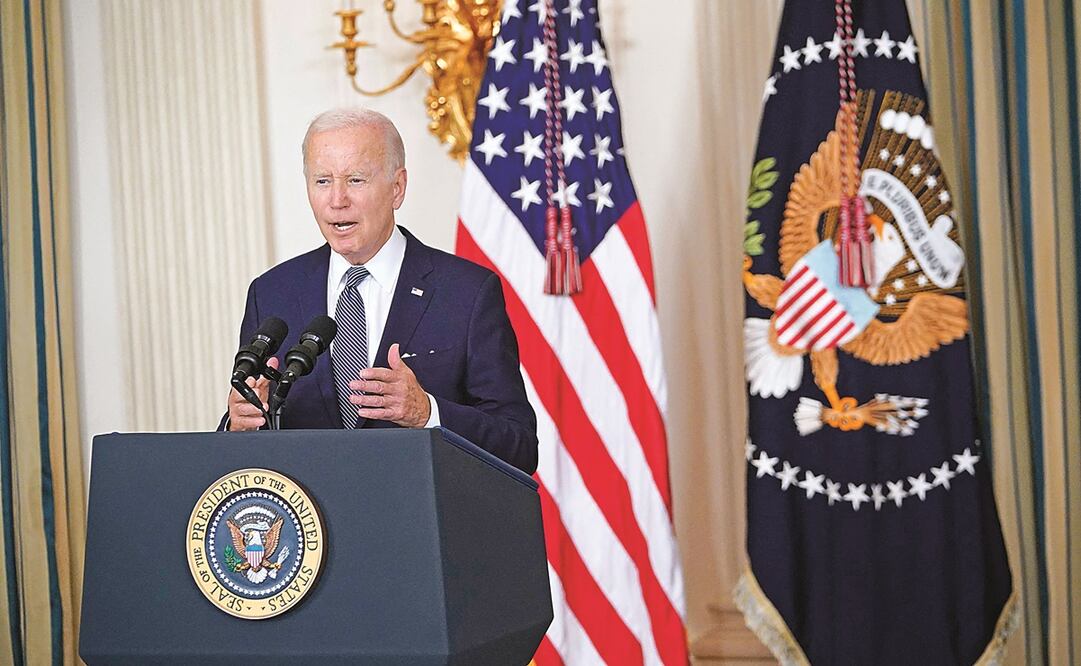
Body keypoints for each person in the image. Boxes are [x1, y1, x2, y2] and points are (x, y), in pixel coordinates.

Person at [223, 108, 538, 474]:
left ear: (397, 188)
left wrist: (427, 412)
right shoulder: (272, 292)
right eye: (322, 181)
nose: (337, 200)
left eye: (355, 180)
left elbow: (520, 447)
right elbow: (241, 451)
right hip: (309, 527)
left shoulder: (466, 293)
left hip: (419, 524)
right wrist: (236, 425)